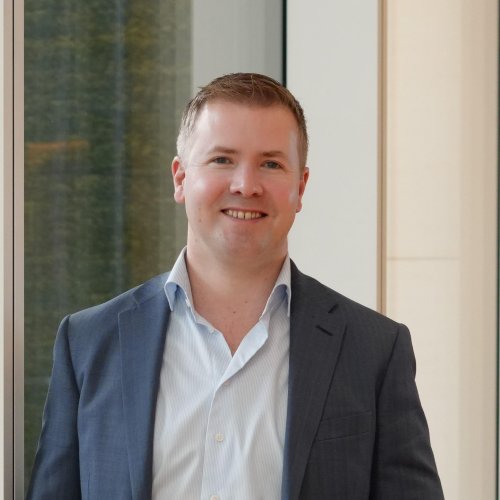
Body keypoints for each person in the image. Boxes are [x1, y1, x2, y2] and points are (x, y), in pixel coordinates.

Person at [27, 73, 444, 500]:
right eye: (222, 159)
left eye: (271, 164)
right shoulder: (89, 344)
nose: (246, 185)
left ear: (300, 187)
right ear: (180, 178)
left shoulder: (374, 351)